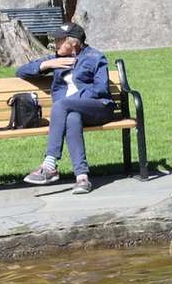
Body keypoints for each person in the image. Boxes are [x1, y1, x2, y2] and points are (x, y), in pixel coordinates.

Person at [17, 23, 118, 194]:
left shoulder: (95, 57)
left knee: (62, 104)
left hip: (98, 108)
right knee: (72, 118)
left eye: (59, 40)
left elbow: (100, 89)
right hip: (71, 113)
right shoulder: (56, 59)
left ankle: (49, 165)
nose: (54, 44)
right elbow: (21, 72)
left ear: (74, 43)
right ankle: (82, 178)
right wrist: (47, 64)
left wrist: (73, 100)